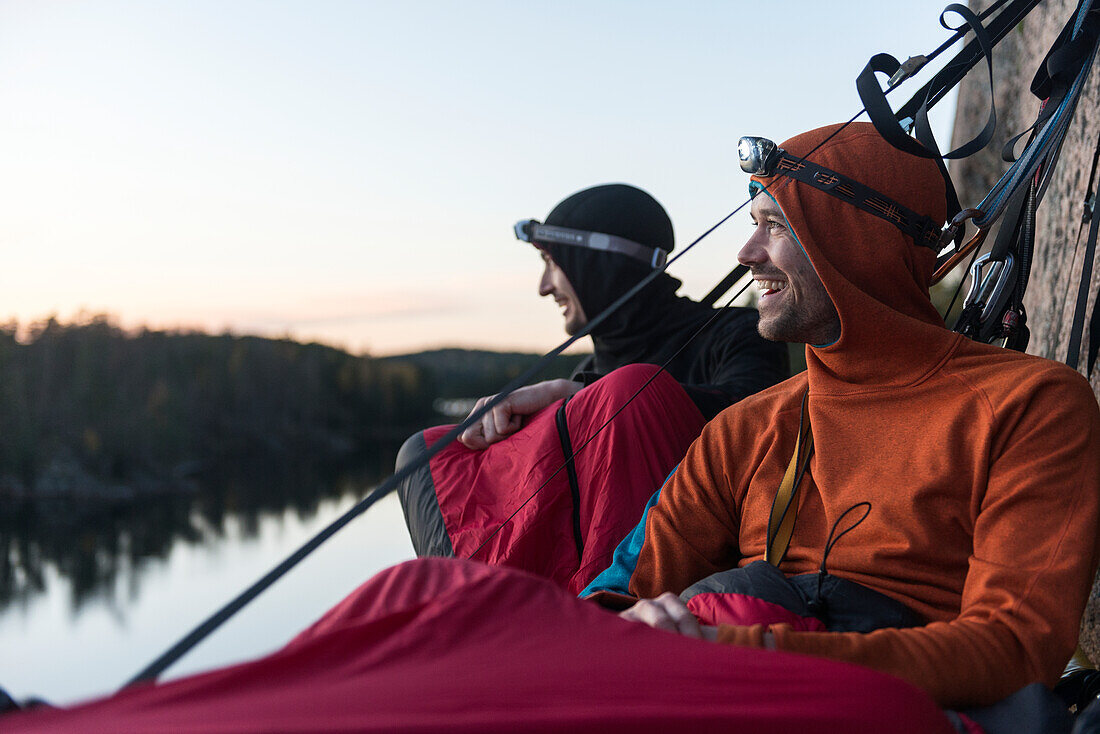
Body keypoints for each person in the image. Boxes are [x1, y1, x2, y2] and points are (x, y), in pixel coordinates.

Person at [579, 122, 1100, 732]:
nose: (747, 255)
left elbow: (1014, 648)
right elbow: (611, 604)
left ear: (856, 240)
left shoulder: (1029, 405)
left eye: (774, 225)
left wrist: (756, 655)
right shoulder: (743, 431)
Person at [397, 183, 789, 594]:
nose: (544, 286)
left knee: (628, 391)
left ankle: (599, 612)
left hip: (681, 569)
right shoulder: (586, 371)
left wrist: (588, 398)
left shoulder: (733, 334)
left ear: (596, 264)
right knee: (426, 453)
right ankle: (478, 607)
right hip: (569, 574)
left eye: (551, 262)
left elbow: (759, 424)